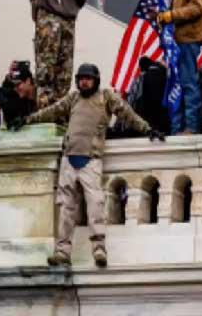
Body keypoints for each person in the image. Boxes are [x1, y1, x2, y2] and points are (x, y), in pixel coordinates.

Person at [23, 63, 163, 268]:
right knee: (65, 209)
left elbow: (127, 113)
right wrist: (27, 120)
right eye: (81, 78)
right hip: (69, 160)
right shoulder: (73, 98)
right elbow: (52, 111)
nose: (84, 82)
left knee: (96, 207)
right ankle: (62, 252)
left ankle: (99, 250)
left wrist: (147, 129)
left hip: (91, 160)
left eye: (87, 78)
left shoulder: (106, 97)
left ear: (96, 80)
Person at [157, 0, 202, 134]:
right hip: (180, 41)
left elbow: (197, 8)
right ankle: (177, 128)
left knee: (188, 84)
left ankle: (191, 128)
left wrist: (170, 16)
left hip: (189, 40)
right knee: (178, 85)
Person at [32, 0, 86, 108]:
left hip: (69, 20)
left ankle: (59, 110)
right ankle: (44, 107)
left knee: (65, 71)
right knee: (46, 67)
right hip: (49, 16)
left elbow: (81, 1)